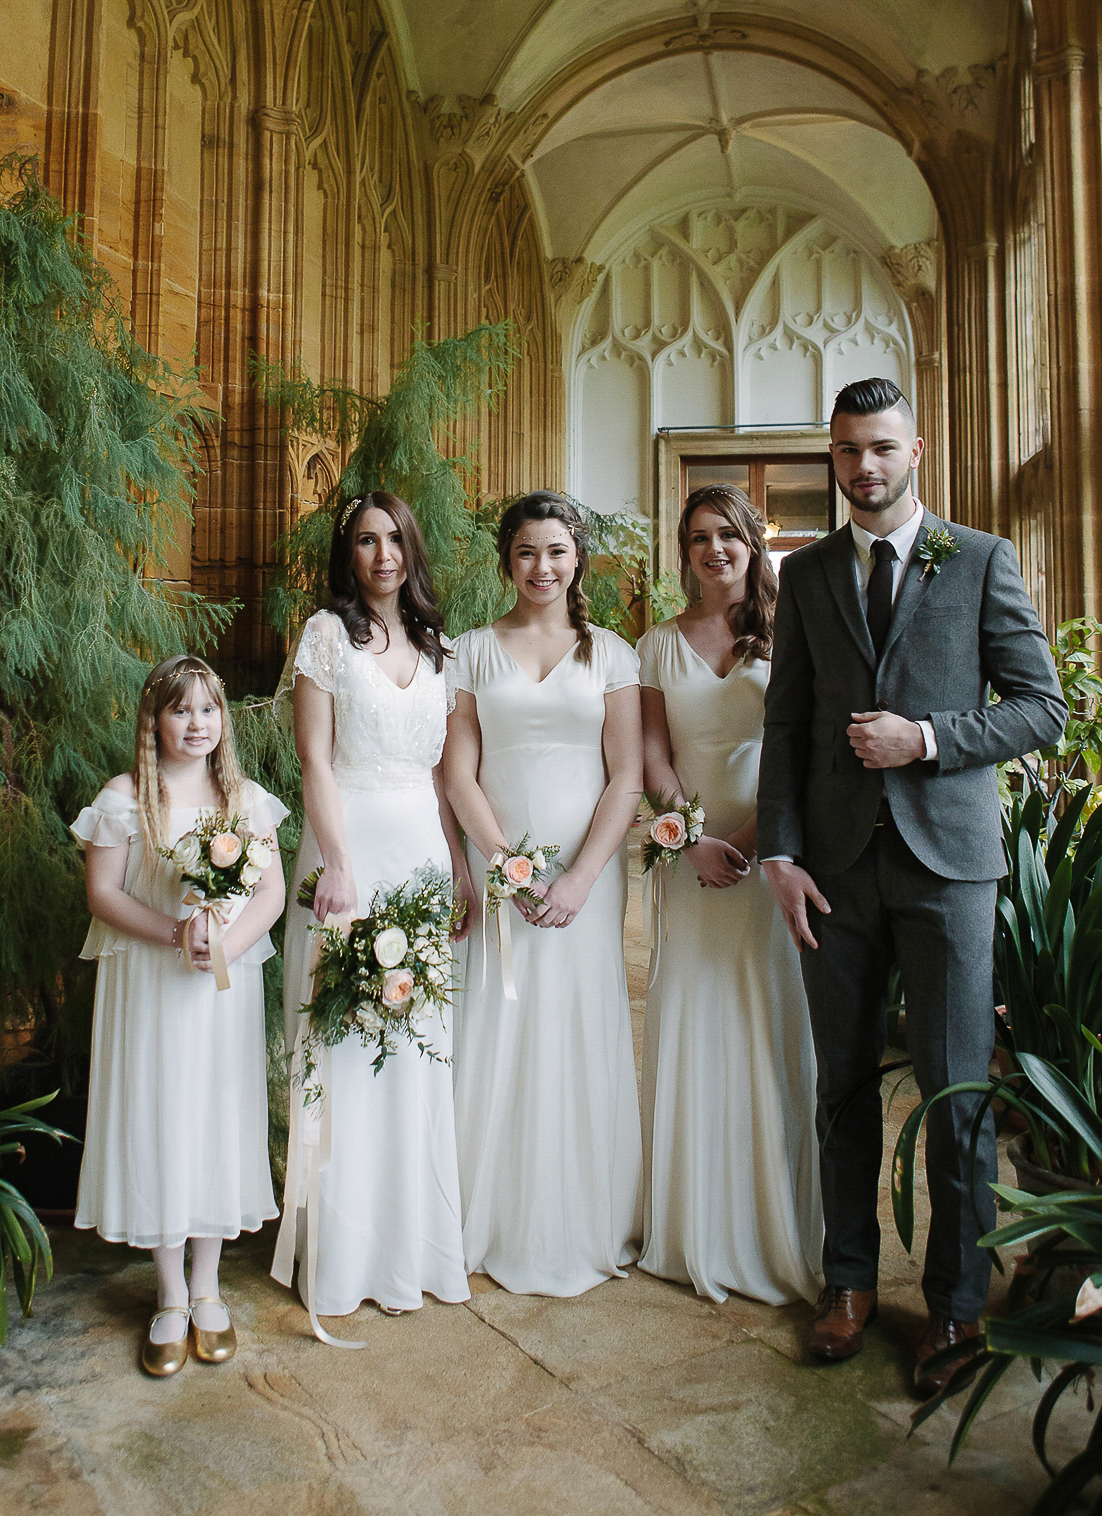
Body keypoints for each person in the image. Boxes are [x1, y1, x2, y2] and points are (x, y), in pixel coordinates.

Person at [758, 377, 1066, 1394]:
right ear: (834, 460)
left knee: (957, 1097)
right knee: (842, 1088)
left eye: (882, 448)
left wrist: (926, 738)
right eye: (848, 452)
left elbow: (1039, 708)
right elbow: (789, 728)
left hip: (949, 872)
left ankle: (956, 1306)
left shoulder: (980, 559)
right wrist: (783, 854)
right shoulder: (803, 579)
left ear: (916, 449)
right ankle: (848, 1284)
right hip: (835, 873)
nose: (865, 468)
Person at [271, 492, 471, 1331]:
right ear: (347, 553)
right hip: (350, 853)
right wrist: (339, 866)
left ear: (411, 550)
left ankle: (411, 1243)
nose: (382, 554)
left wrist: (459, 860)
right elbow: (313, 761)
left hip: (422, 855)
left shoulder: (438, 646)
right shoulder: (325, 635)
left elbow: (439, 775)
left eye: (394, 539)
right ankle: (342, 1251)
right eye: (365, 541)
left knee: (412, 1048)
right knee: (345, 1043)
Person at [444, 490, 644, 1296]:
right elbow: (457, 770)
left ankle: (586, 1213)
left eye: (556, 551)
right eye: (527, 552)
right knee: (497, 1021)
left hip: (586, 878)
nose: (542, 567)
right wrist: (505, 865)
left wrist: (580, 879)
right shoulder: (468, 652)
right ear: (507, 560)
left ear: (577, 559)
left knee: (576, 1024)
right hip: (500, 871)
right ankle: (483, 1212)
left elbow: (626, 773)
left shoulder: (614, 656)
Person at [71, 656, 288, 1377]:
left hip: (221, 986)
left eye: (208, 710)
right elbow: (104, 893)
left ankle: (207, 1287)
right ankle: (167, 1294)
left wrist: (223, 941)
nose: (197, 724)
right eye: (180, 711)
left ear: (223, 719)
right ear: (154, 720)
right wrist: (175, 933)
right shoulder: (125, 798)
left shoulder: (245, 799)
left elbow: (272, 896)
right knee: (159, 1114)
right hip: (152, 982)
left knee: (214, 1115)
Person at [638, 484, 822, 1305]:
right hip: (692, 862)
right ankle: (691, 1224)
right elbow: (650, 756)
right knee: (689, 1014)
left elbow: (807, 754)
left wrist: (746, 846)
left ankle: (771, 1221)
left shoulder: (792, 634)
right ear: (685, 553)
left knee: (765, 1021)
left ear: (754, 543)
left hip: (769, 861)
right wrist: (689, 837)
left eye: (730, 535)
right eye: (700, 537)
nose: (715, 549)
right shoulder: (654, 645)